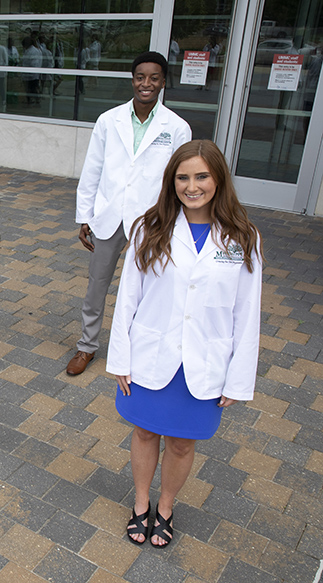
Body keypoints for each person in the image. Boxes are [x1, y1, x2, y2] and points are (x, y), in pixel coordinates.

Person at [107, 140, 262, 547]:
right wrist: (120, 356)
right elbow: (128, 299)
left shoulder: (243, 236)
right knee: (143, 432)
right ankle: (141, 503)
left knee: (181, 442)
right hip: (149, 355)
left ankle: (166, 507)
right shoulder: (149, 227)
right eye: (183, 178)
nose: (192, 187)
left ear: (219, 180)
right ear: (171, 181)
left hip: (203, 362)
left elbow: (247, 315)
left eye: (202, 177)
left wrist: (237, 379)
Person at [67, 51, 191, 376]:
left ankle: (137, 350)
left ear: (163, 82)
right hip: (109, 217)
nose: (145, 84)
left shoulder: (177, 128)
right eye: (140, 77)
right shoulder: (109, 120)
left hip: (152, 221)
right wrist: (85, 215)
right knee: (97, 286)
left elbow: (179, 179)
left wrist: (174, 223)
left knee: (146, 287)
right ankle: (86, 346)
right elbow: (92, 169)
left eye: (153, 78)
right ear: (132, 79)